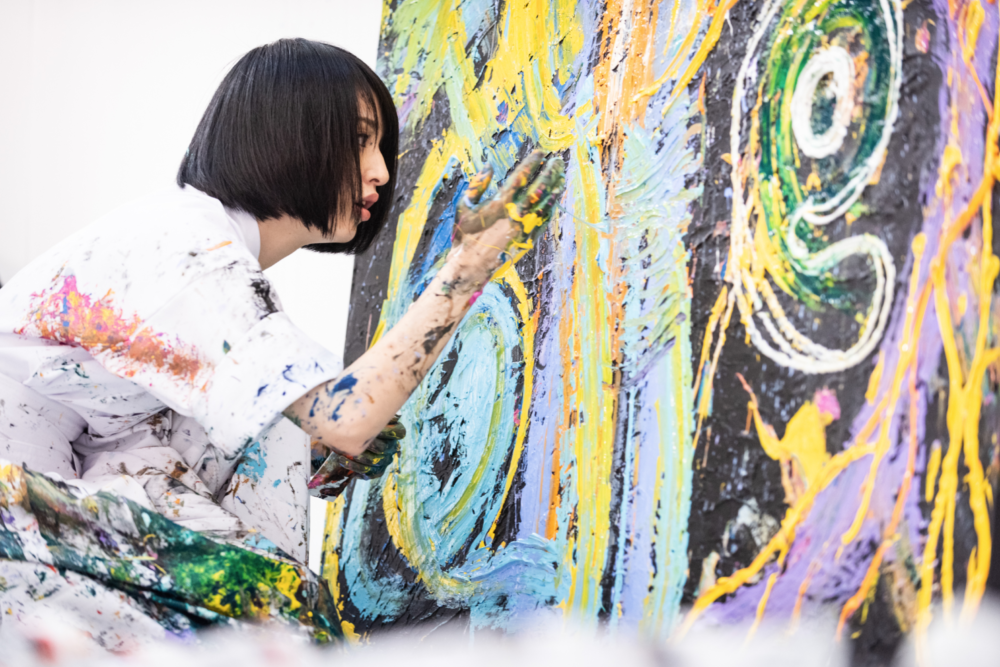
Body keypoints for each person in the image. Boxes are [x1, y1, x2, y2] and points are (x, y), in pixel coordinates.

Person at [0, 38, 564, 649]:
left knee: (274, 594)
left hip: (41, 523)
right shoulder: (187, 257)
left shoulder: (197, 252)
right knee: (281, 612)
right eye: (360, 140)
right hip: (17, 525)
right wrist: (470, 265)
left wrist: (308, 447)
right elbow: (349, 417)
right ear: (286, 133)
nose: (380, 171)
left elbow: (137, 437)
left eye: (380, 146)